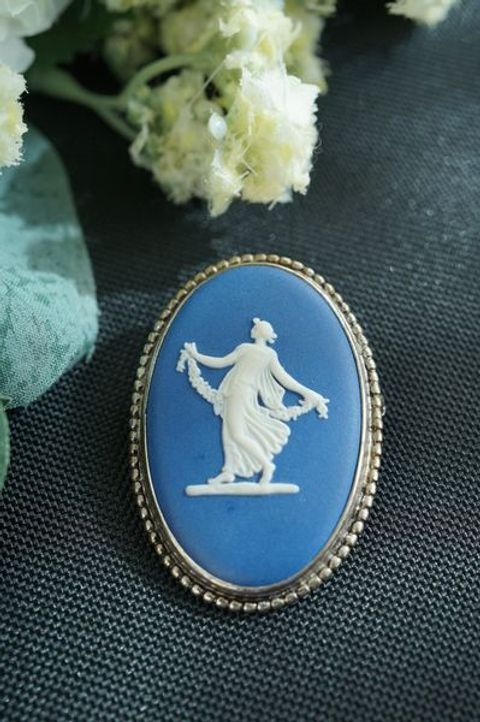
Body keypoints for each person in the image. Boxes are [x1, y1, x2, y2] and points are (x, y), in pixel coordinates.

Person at [181, 318, 329, 487]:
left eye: (255, 328)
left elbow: (221, 362)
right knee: (228, 431)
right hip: (241, 392)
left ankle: (266, 465)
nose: (252, 330)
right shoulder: (269, 354)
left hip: (239, 392)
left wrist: (197, 356)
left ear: (258, 332)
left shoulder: (246, 348)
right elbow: (284, 379)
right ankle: (228, 471)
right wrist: (307, 392)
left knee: (236, 433)